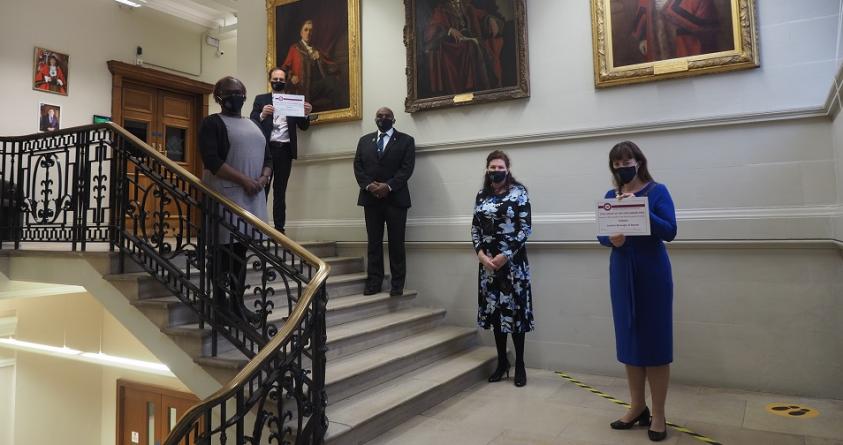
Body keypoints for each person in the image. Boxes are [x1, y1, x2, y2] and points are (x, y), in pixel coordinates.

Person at [597, 141, 677, 442]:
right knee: (629, 338)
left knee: (655, 343)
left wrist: (641, 210)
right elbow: (602, 235)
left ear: (639, 161)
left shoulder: (658, 191)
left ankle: (658, 413)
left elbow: (670, 230)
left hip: (652, 273)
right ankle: (636, 406)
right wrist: (610, 240)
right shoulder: (609, 196)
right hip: (621, 271)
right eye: (616, 165)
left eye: (626, 162)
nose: (622, 168)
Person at [200, 76, 272, 322]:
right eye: (230, 92)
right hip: (226, 197)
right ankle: (220, 305)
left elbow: (268, 157)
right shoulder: (212, 123)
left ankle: (237, 304)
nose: (236, 96)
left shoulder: (254, 124)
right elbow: (212, 160)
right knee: (223, 254)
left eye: (240, 92)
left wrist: (263, 178)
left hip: (253, 197)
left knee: (241, 253)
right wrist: (245, 180)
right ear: (218, 97)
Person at [470, 150, 533, 387]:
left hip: (513, 264)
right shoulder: (481, 195)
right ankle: (502, 362)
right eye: (492, 167)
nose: (496, 171)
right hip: (487, 265)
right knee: (496, 313)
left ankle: (520, 365)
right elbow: (475, 228)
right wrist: (480, 254)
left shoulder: (519, 193)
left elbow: (525, 228)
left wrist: (505, 255)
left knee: (515, 313)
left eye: (500, 167)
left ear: (507, 168)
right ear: (487, 169)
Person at [353, 107, 415, 297]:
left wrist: (387, 187)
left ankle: (397, 284)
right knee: (373, 243)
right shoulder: (364, 141)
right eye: (379, 116)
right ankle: (374, 282)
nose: (383, 118)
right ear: (375, 119)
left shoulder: (406, 140)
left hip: (396, 200)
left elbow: (406, 169)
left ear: (394, 120)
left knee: (396, 244)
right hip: (371, 200)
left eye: (387, 116)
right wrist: (371, 187)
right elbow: (358, 166)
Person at [250, 67, 312, 234]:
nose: (278, 82)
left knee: (280, 191)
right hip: (266, 151)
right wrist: (262, 114)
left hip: (285, 151)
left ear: (286, 80)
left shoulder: (294, 101)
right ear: (270, 80)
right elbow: (252, 121)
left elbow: (303, 126)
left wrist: (306, 114)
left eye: (281, 79)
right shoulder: (261, 99)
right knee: (263, 189)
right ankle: (258, 227)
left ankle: (279, 230)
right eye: (275, 79)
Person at [423, 0, 505, 96]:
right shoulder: (442, 9)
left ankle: (486, 84)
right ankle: (474, 84)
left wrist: (489, 19)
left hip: (468, 39)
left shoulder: (467, 7)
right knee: (473, 44)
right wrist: (449, 30)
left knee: (477, 43)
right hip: (452, 45)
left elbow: (481, 15)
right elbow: (431, 29)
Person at [282, 19, 342, 111]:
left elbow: (333, 67)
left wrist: (320, 59)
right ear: (301, 32)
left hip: (316, 87)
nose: (308, 33)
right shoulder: (294, 48)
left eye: (311, 30)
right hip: (302, 87)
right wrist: (291, 76)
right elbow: (284, 68)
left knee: (332, 82)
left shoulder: (316, 49)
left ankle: (340, 112)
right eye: (306, 30)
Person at [632, 0, 720, 62]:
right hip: (656, 52)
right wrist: (643, 38)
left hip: (686, 50)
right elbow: (643, 15)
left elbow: (707, 27)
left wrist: (669, 8)